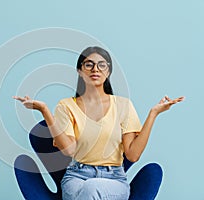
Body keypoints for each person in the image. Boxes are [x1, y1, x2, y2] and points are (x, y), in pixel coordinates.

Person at [13, 46, 184, 200]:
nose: (95, 69)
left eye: (102, 65)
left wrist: (153, 114)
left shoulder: (123, 105)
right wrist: (44, 111)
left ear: (108, 71)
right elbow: (69, 150)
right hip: (76, 177)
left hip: (114, 179)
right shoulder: (66, 106)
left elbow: (132, 155)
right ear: (80, 70)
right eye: (89, 65)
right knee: (88, 189)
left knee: (92, 188)